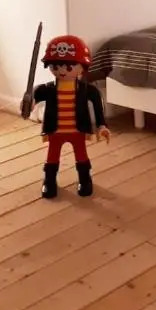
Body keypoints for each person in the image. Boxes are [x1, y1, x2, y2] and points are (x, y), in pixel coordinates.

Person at [24, 34, 110, 198]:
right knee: (52, 157)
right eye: (56, 67)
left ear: (82, 67)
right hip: (55, 131)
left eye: (69, 67)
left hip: (78, 130)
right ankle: (49, 181)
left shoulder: (87, 90)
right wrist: (29, 102)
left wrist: (101, 125)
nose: (62, 71)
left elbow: (97, 105)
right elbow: (35, 94)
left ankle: (85, 180)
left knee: (81, 156)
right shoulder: (48, 89)